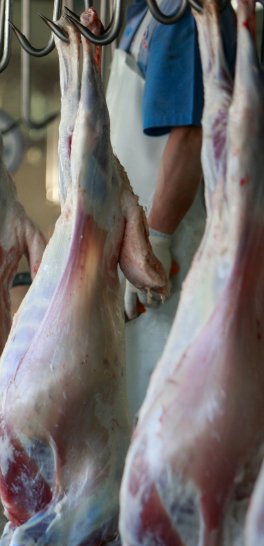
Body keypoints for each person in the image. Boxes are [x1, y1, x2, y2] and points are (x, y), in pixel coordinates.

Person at [108, 0, 236, 418]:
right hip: (131, 253)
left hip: (167, 261)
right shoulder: (137, 16)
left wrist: (158, 239)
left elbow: (190, 135)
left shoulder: (177, 12)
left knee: (163, 409)